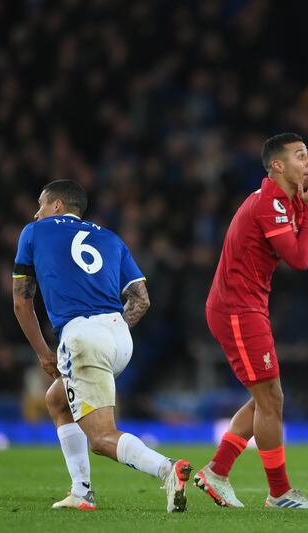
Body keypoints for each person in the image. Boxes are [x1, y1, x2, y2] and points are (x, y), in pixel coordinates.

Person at [12, 180, 192, 513]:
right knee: (57, 400)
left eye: (40, 204)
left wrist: (43, 354)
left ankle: (167, 469)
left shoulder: (33, 232)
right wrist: (113, 328)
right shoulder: (111, 238)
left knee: (101, 437)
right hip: (120, 336)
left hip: (83, 336)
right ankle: (81, 491)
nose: (35, 213)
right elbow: (142, 300)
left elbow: (22, 302)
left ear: (57, 206)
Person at [196, 133, 308, 510]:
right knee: (271, 399)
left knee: (265, 398)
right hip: (237, 308)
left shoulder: (285, 201)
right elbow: (300, 260)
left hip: (246, 306)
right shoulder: (269, 201)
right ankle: (279, 493)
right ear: (278, 166)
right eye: (301, 156)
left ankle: (217, 472)